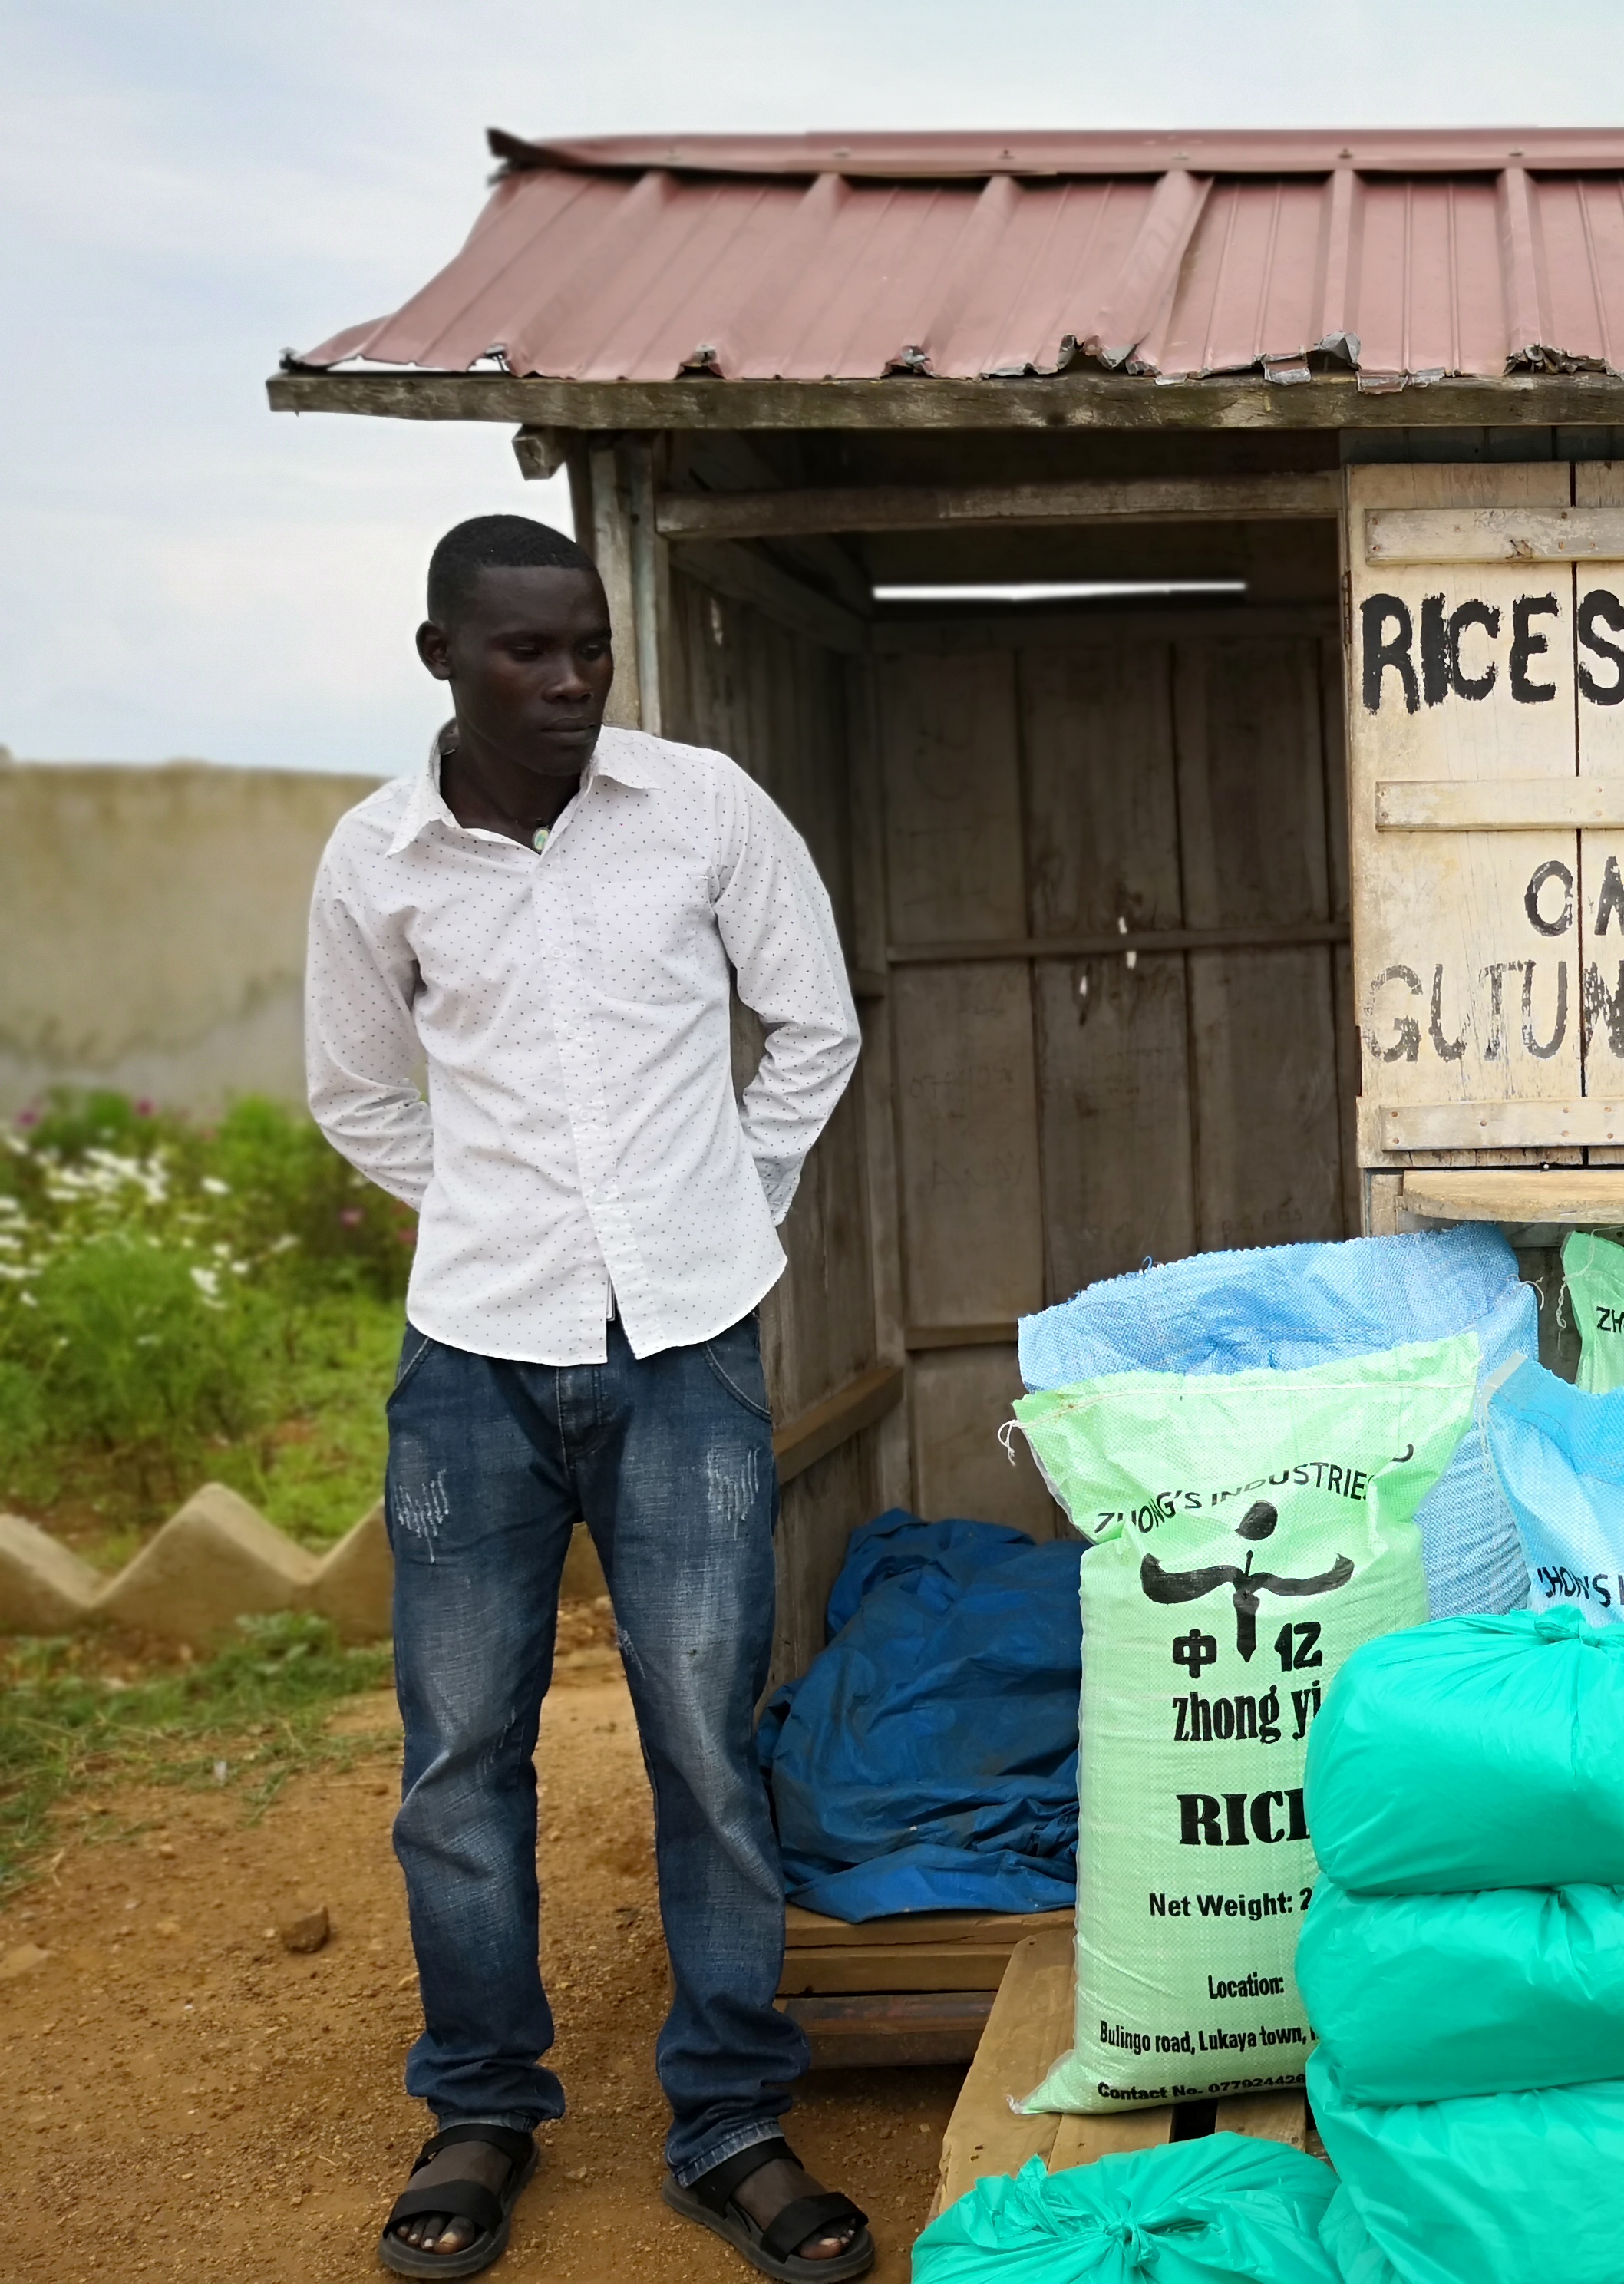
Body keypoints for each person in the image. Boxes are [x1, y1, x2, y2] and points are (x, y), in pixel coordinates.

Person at [307, 515, 872, 2280]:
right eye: (524, 656)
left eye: (589, 650)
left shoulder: (699, 808)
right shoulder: (375, 861)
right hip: (470, 1358)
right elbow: (356, 1094)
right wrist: (493, 1214)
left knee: (707, 1743)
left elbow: (815, 1028)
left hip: (688, 1345)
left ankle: (729, 2121)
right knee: (458, 1754)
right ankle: (482, 2105)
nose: (567, 686)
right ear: (439, 662)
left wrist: (724, 1204)